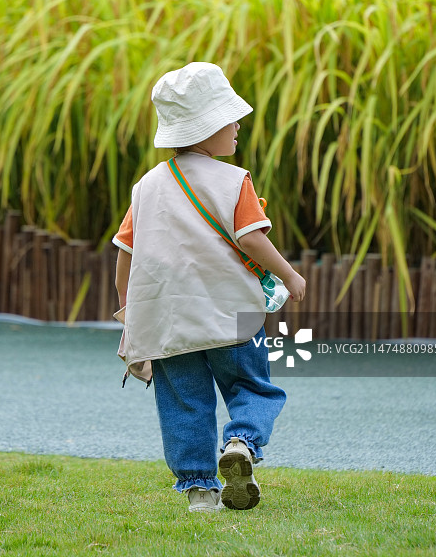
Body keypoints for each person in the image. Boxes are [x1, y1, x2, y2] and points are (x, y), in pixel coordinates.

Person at [113, 62, 306, 513]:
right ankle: (241, 443)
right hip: (230, 316)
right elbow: (251, 238)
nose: (238, 125)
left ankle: (199, 489)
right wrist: (290, 274)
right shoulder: (233, 180)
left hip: (169, 324)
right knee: (253, 388)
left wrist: (128, 308)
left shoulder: (146, 187)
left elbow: (126, 251)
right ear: (205, 130)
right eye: (229, 118)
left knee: (184, 402)